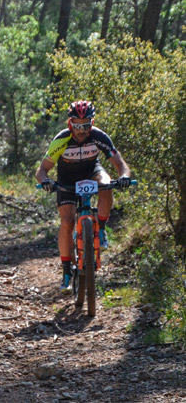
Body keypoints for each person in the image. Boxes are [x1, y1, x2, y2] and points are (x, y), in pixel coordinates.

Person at [35, 99, 131, 293]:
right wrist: (46, 181)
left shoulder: (99, 137)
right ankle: (66, 272)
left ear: (91, 123)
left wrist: (124, 177)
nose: (81, 130)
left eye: (85, 125)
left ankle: (101, 229)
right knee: (67, 222)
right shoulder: (61, 139)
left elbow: (121, 165)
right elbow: (42, 171)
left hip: (91, 171)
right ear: (70, 123)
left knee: (106, 184)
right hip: (67, 178)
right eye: (77, 126)